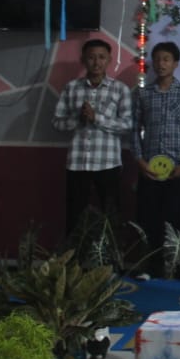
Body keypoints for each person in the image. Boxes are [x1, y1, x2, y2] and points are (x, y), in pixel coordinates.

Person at [52, 38, 133, 235]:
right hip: (77, 163)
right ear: (83, 60)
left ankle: (113, 255)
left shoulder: (120, 89)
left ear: (109, 60)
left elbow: (127, 125)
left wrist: (97, 118)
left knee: (111, 217)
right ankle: (74, 255)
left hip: (108, 163)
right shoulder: (72, 88)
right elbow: (57, 122)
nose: (96, 62)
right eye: (91, 57)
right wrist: (78, 119)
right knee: (75, 217)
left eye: (101, 57)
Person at [133, 41, 180, 279]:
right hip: (150, 169)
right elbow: (134, 129)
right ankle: (149, 266)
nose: (161, 64)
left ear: (175, 63)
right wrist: (139, 160)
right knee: (148, 217)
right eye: (158, 59)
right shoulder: (143, 93)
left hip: (177, 168)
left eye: (166, 59)